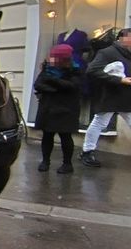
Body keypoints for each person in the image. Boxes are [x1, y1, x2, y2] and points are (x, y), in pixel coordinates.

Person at [80, 27, 131, 167]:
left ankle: (87, 151)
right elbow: (92, 70)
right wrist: (119, 80)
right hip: (110, 95)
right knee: (100, 122)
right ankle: (87, 151)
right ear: (122, 38)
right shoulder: (107, 52)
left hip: (127, 96)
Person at [33, 44, 81, 173]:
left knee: (65, 136)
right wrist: (54, 89)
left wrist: (52, 81)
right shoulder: (47, 69)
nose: (52, 59)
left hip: (66, 109)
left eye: (56, 57)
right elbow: (38, 85)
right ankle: (45, 161)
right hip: (48, 107)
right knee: (47, 135)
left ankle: (67, 164)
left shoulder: (75, 70)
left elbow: (72, 86)